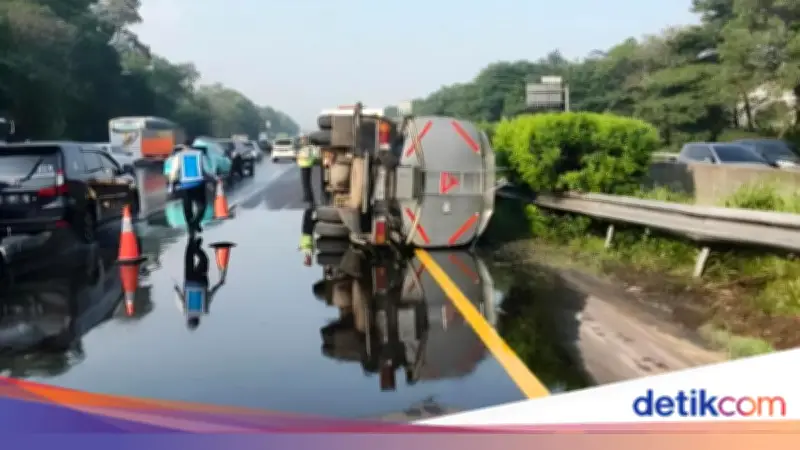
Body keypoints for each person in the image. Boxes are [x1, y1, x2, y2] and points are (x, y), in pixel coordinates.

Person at [173, 237, 225, 330]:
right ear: (188, 319)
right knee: (189, 259)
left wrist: (219, 284)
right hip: (189, 280)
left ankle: (196, 247)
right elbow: (180, 296)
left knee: (204, 260)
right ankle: (192, 245)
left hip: (202, 280)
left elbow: (211, 294)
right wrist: (176, 288)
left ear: (198, 320)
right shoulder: (184, 310)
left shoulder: (204, 309)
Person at [167, 138, 216, 234]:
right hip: (198, 184)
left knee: (187, 208)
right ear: (192, 144)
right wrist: (212, 179)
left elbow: (174, 171)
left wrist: (172, 184)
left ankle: (191, 226)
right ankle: (196, 222)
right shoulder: (199, 154)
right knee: (202, 207)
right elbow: (206, 170)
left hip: (185, 185)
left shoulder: (179, 156)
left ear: (183, 146)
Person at [296, 136, 319, 205]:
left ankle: (309, 198)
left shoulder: (308, 148)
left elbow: (313, 155)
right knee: (306, 183)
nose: (302, 142)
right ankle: (307, 197)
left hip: (306, 165)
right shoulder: (307, 147)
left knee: (306, 183)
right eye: (301, 140)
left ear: (306, 141)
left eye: (303, 140)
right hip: (304, 165)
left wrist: (300, 156)